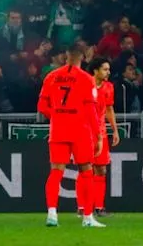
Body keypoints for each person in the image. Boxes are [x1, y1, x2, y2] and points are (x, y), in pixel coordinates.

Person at [38, 45, 103, 228]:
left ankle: (52, 214)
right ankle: (88, 218)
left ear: (66, 56)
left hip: (58, 129)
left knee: (56, 171)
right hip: (80, 129)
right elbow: (91, 110)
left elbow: (42, 106)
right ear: (82, 57)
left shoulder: (51, 76)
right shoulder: (86, 79)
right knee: (86, 171)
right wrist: (98, 136)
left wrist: (58, 116)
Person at [89, 57, 119, 217]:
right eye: (105, 69)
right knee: (85, 168)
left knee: (101, 169)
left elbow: (109, 110)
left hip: (101, 132)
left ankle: (99, 207)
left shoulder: (108, 87)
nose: (108, 72)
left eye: (108, 69)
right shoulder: (85, 85)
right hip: (86, 132)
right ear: (95, 70)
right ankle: (82, 207)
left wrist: (114, 130)